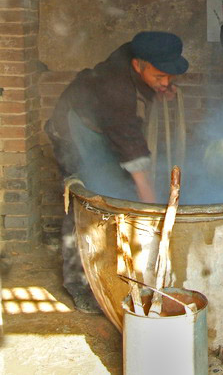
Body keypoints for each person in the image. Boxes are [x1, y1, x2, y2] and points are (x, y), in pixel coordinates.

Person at [45, 31, 189, 311]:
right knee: (87, 200)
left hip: (103, 127)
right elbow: (127, 137)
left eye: (169, 77)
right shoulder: (114, 87)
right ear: (138, 65)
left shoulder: (135, 54)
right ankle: (79, 285)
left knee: (117, 191)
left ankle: (117, 265)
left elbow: (127, 121)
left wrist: (160, 87)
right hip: (74, 130)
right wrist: (147, 198)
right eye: (160, 77)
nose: (166, 82)